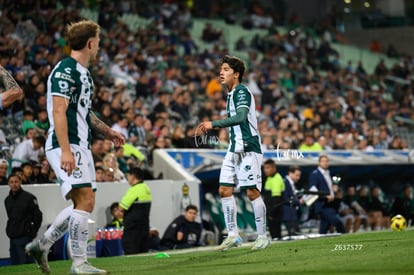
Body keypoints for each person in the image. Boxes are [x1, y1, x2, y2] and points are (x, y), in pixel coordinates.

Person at [25, 20, 125, 275]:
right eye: (98, 42)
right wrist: (66, 150)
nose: (99, 46)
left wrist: (108, 130)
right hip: (66, 144)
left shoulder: (83, 74)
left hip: (81, 144)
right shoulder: (65, 70)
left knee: (83, 204)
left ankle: (42, 245)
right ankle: (79, 264)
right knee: (85, 200)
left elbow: (84, 112)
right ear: (90, 43)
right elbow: (59, 110)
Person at [198, 55, 269, 251]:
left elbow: (240, 117)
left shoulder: (241, 92)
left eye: (226, 69)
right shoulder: (230, 94)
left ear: (236, 74)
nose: (221, 72)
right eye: (221, 69)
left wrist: (214, 124)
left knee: (252, 192)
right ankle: (233, 236)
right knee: (224, 190)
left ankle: (263, 236)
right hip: (233, 148)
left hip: (248, 147)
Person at [5, 174, 43, 265]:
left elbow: (38, 216)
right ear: (8, 184)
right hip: (12, 238)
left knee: (25, 264)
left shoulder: (29, 198)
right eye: (11, 182)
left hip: (25, 237)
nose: (14, 184)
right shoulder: (7, 200)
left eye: (16, 182)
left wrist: (33, 230)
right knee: (15, 264)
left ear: (20, 182)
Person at [309, 155, 345, 234]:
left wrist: (334, 189)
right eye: (323, 161)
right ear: (319, 163)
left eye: (327, 161)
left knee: (324, 229)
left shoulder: (328, 173)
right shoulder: (315, 174)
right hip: (323, 204)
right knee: (338, 223)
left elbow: (327, 187)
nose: (325, 163)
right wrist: (324, 196)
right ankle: (345, 238)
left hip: (330, 204)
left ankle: (319, 243)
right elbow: (313, 189)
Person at [119, 167, 152, 254]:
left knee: (131, 252)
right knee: (143, 253)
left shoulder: (134, 190)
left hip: (132, 229)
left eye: (128, 176)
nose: (127, 179)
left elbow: (121, 207)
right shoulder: (146, 188)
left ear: (133, 176)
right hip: (144, 227)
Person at [263, 159, 284, 240]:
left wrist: (271, 214)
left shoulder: (277, 179)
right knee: (273, 235)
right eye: (264, 168)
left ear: (273, 168)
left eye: (268, 168)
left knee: (276, 236)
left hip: (275, 214)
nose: (265, 170)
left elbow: (277, 199)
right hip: (270, 213)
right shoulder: (269, 178)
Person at [283, 165, 303, 236]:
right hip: (289, 215)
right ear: (290, 173)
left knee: (296, 234)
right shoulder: (285, 183)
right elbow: (285, 199)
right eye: (297, 175)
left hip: (293, 214)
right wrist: (298, 201)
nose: (298, 178)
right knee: (294, 235)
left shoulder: (291, 183)